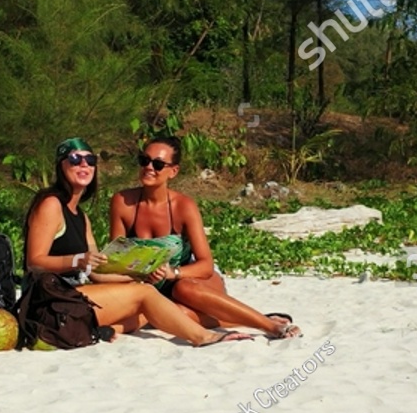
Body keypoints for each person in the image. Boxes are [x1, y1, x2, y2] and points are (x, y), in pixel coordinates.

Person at [23, 138, 253, 347]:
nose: (84, 165)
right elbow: (34, 262)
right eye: (75, 159)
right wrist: (77, 260)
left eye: (90, 160)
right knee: (145, 296)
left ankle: (256, 321)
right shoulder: (50, 204)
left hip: (73, 296)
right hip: (48, 301)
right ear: (61, 165)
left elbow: (98, 273)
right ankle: (203, 336)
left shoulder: (81, 216)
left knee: (144, 300)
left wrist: (143, 274)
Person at [107, 136, 301, 339]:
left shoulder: (184, 206)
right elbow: (117, 260)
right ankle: (253, 317)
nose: (149, 167)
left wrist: (172, 272)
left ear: (173, 171)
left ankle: (269, 326)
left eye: (158, 164)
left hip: (191, 278)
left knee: (183, 289)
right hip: (147, 285)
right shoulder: (122, 202)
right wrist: (141, 274)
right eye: (144, 160)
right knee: (175, 314)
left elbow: (206, 265)